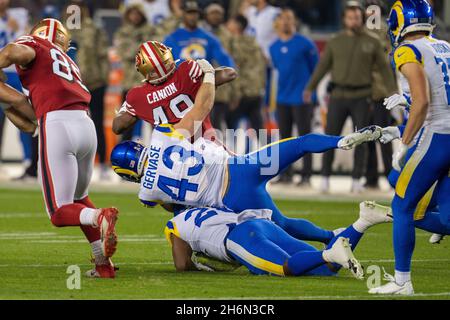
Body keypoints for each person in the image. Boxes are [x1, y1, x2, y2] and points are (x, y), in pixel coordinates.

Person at [110, 57, 383, 243]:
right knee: (299, 145)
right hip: (225, 159)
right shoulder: (181, 85)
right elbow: (225, 78)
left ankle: (320, 248)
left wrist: (130, 108)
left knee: (194, 223)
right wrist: (203, 76)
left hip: (213, 188)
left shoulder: (149, 174)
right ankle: (340, 141)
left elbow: (118, 125)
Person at [0, 18, 119, 278]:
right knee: (79, 199)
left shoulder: (36, 45)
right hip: (85, 127)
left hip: (57, 124)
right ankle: (103, 264)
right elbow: (20, 105)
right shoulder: (68, 62)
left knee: (59, 212)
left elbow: (10, 52)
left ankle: (100, 217)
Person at [369, 0, 450, 295]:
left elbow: (424, 101)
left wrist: (404, 142)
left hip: (437, 137)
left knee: (402, 205)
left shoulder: (406, 50)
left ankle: (402, 282)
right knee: (448, 218)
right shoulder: (445, 46)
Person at [304, 1, 397, 193]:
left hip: (362, 96)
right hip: (338, 95)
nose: (353, 21)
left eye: (357, 17)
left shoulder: (373, 41)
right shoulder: (335, 41)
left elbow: (385, 70)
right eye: (350, 17)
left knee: (360, 139)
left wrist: (392, 93)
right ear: (344, 20)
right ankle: (325, 177)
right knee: (330, 138)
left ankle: (356, 179)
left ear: (362, 19)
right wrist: (310, 87)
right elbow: (323, 67)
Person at [166, 201, 393, 277]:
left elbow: (181, 264)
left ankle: (329, 252)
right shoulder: (209, 205)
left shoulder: (175, 223)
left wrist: (200, 266)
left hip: (239, 238)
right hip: (261, 224)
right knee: (326, 269)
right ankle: (363, 221)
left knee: (285, 268)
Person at [112, 40, 237, 141]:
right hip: (205, 145)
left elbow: (117, 127)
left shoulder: (137, 96)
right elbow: (230, 73)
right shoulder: (187, 71)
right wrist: (209, 72)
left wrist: (126, 109)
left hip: (170, 156)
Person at [269, 8, 319, 186]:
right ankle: (286, 175)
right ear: (278, 23)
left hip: (302, 98)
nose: (286, 22)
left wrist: (312, 93)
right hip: (282, 98)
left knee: (304, 138)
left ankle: (306, 175)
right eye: (283, 19)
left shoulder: (306, 44)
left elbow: (316, 70)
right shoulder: (273, 47)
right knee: (285, 139)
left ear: (294, 22)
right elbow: (276, 71)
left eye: (289, 19)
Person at [63, 2, 110, 180]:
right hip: (70, 84)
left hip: (94, 83)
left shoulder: (94, 29)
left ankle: (103, 164)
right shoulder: (63, 29)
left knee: (97, 123)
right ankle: (71, 163)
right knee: (71, 125)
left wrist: (103, 78)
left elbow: (103, 56)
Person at [114, 3, 159, 142]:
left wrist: (136, 48)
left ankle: (158, 152)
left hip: (150, 82)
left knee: (156, 122)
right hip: (129, 84)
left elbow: (158, 51)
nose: (135, 17)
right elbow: (123, 52)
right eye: (132, 14)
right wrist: (142, 47)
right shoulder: (122, 32)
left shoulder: (152, 30)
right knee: (125, 123)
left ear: (142, 15)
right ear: (128, 16)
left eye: (137, 14)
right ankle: (123, 154)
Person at [364, 0, 397, 189]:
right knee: (368, 136)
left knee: (381, 135)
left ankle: (385, 175)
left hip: (379, 91)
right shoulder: (383, 32)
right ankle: (375, 176)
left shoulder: (384, 33)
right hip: (367, 90)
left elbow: (387, 62)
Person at [226, 14, 265, 135]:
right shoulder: (254, 42)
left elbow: (234, 70)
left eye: (230, 22)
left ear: (237, 26)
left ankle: (232, 154)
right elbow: (262, 65)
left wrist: (235, 95)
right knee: (259, 130)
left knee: (231, 130)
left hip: (241, 94)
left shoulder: (233, 44)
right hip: (256, 92)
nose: (227, 25)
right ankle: (270, 153)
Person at [163, 1, 234, 68]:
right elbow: (164, 61)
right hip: (180, 78)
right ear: (183, 14)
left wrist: (229, 70)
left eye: (195, 13)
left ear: (199, 15)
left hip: (203, 78)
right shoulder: (172, 38)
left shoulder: (209, 37)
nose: (192, 16)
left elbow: (224, 59)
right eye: (189, 13)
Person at [202, 3, 235, 131]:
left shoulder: (228, 35)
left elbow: (233, 60)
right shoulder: (200, 33)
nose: (216, 16)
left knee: (217, 124)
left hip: (222, 88)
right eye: (213, 13)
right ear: (206, 15)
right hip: (202, 84)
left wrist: (234, 91)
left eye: (218, 13)